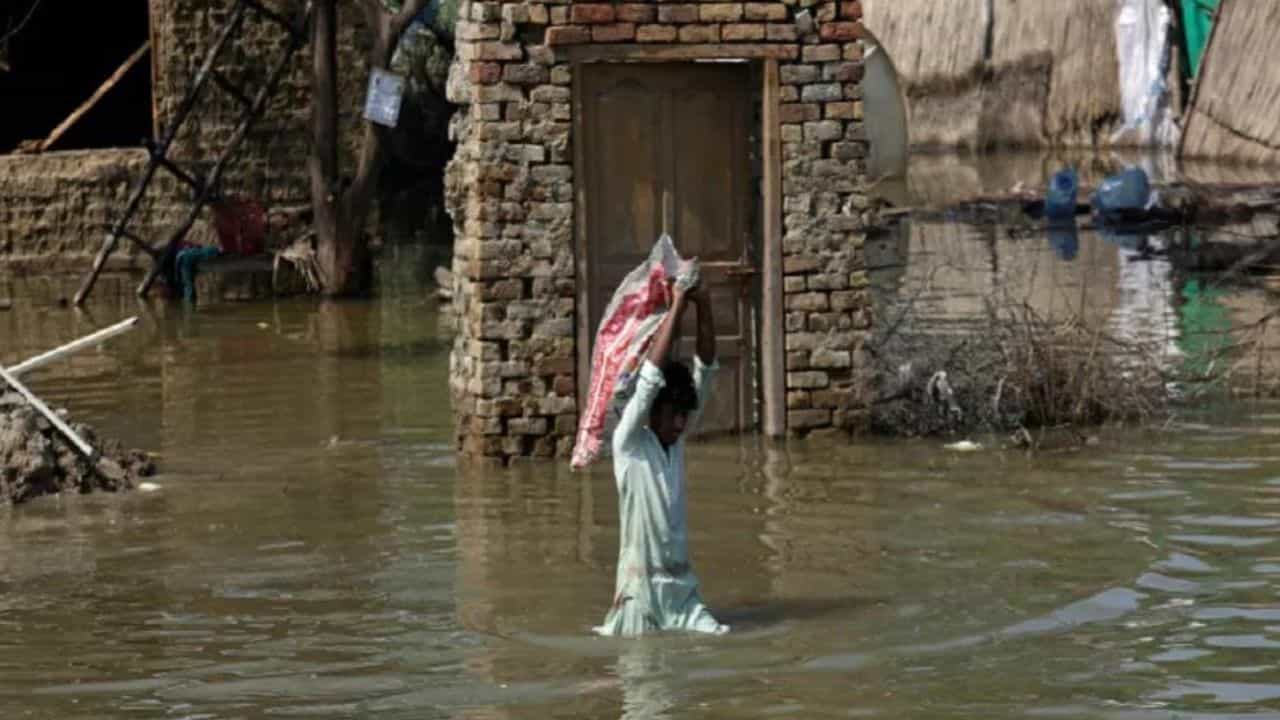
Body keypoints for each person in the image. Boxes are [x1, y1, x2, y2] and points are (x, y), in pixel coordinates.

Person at [594, 276, 728, 637]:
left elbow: (707, 368)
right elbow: (650, 379)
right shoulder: (630, 443)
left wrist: (704, 305)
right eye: (674, 414)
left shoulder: (676, 442)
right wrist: (678, 305)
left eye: (685, 415)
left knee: (721, 642)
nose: (681, 423)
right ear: (652, 411)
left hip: (684, 592)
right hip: (639, 594)